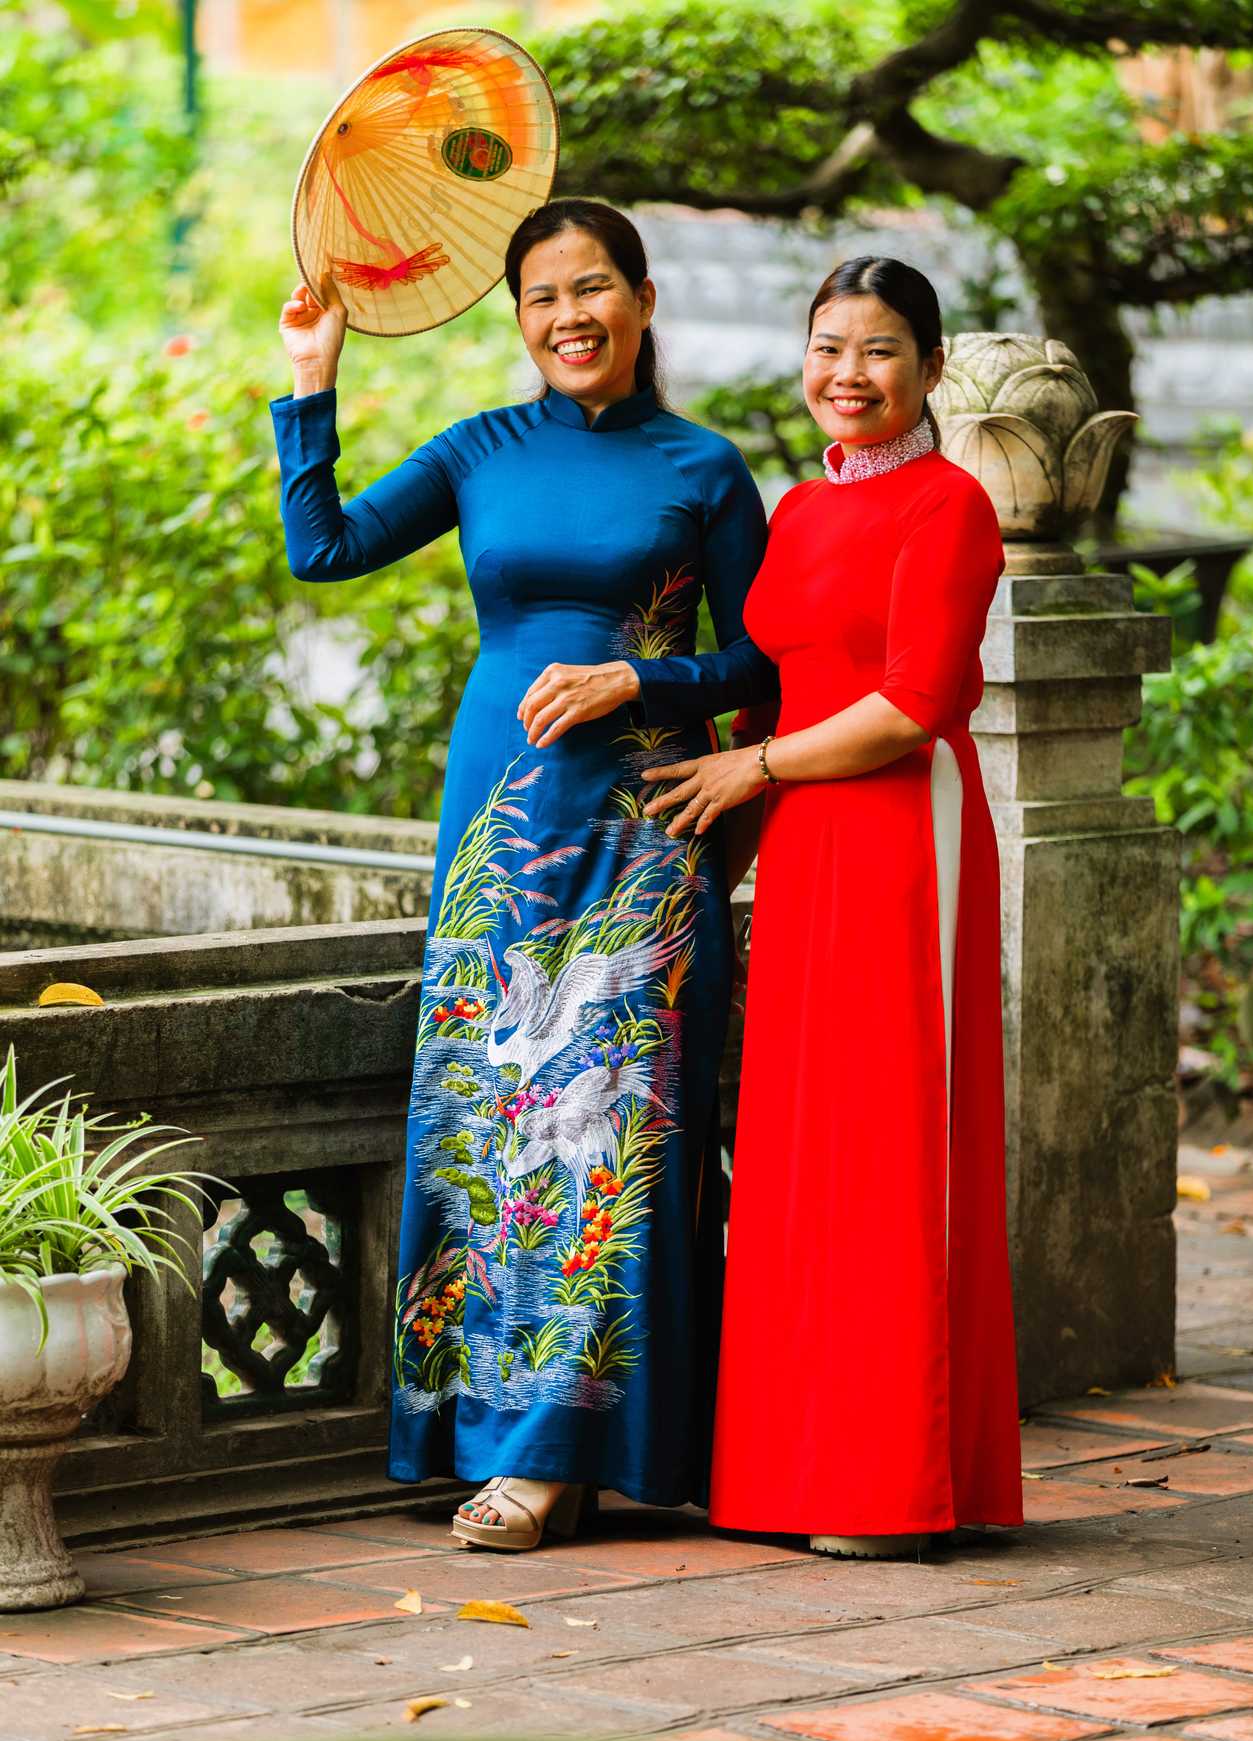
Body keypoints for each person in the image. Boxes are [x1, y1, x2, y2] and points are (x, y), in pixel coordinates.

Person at [272, 199, 778, 1550]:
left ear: (645, 301)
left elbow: (766, 662)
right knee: (489, 1124)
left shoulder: (705, 469)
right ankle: (485, 1431)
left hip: (643, 836)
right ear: (518, 317)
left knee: (615, 1139)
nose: (570, 316)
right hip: (497, 833)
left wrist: (639, 680)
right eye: (543, 296)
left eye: (594, 287)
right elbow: (322, 549)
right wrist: (313, 378)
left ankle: (558, 1461)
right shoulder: (479, 449)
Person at [643, 256, 1024, 1558]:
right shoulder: (802, 508)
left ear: (930, 366)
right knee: (799, 1152)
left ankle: (892, 1482)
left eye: (879, 350)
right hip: (804, 843)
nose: (847, 374)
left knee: (887, 1145)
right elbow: (769, 686)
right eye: (828, 346)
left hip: (901, 836)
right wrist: (714, 849)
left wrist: (755, 767)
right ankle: (790, 1475)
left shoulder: (949, 504)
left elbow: (913, 703)